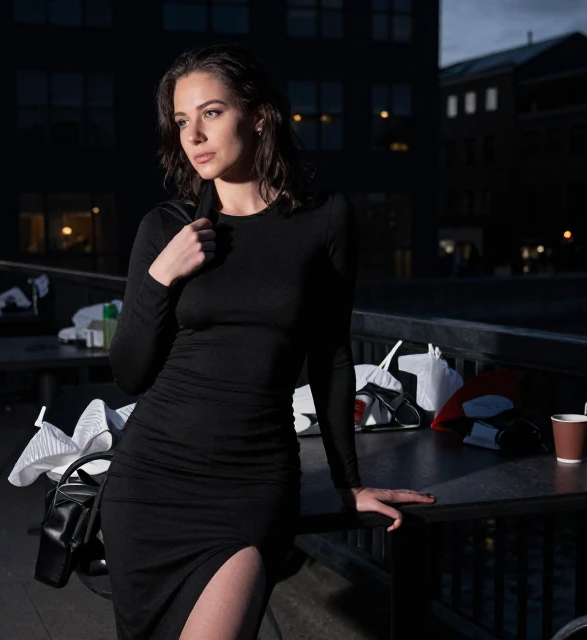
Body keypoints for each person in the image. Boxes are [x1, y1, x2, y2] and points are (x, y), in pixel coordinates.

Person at [101, 44, 435, 639]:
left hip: (250, 486)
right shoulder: (167, 228)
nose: (193, 135)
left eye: (210, 113)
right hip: (151, 481)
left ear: (258, 116)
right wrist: (160, 277)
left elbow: (332, 357)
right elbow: (129, 373)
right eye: (181, 121)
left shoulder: (325, 218)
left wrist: (347, 482)